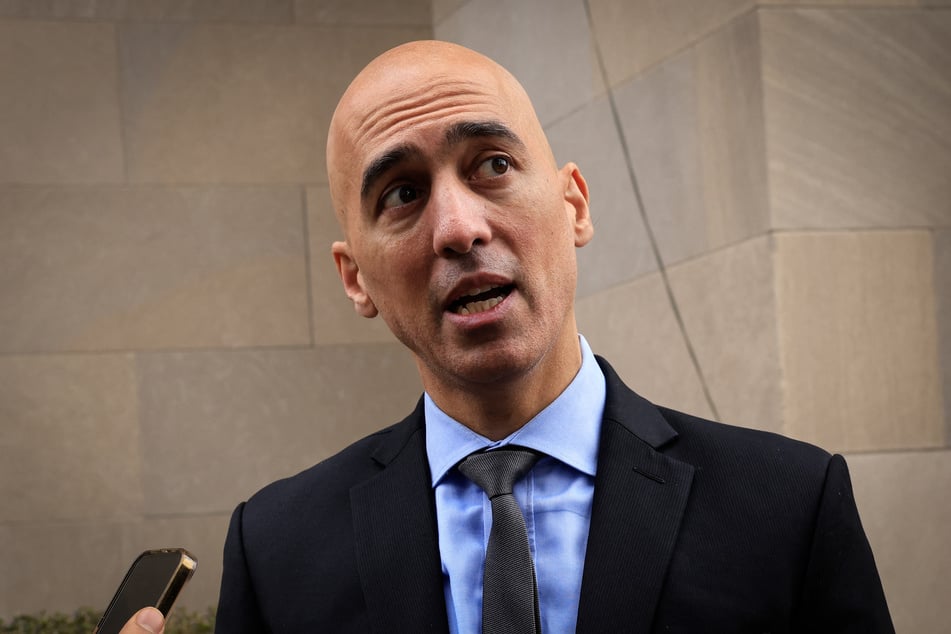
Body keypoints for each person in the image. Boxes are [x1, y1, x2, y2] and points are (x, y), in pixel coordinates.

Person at [119, 40, 893, 633]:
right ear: (355, 278)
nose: (458, 228)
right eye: (401, 192)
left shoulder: (789, 507)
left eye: (491, 164)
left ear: (574, 206)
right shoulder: (276, 546)